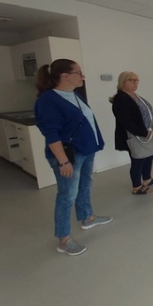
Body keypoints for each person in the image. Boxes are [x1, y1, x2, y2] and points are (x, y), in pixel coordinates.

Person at [34, 59, 111, 256]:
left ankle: (87, 218)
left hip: (86, 150)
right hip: (69, 155)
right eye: (79, 72)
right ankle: (64, 239)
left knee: (85, 185)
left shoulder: (74, 94)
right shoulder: (48, 100)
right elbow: (51, 133)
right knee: (67, 195)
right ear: (65, 76)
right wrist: (63, 161)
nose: (83, 76)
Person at [111, 71, 153, 195]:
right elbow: (126, 121)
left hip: (147, 132)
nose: (135, 83)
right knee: (138, 160)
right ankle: (137, 187)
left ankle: (147, 179)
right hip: (135, 134)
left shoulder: (134, 95)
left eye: (136, 80)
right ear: (123, 83)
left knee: (149, 155)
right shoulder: (121, 98)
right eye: (131, 80)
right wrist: (143, 132)